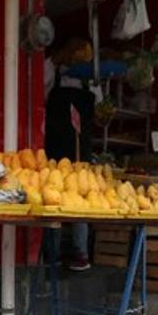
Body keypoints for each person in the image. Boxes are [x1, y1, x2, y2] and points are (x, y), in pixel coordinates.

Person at [45, 64, 96, 271]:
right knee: (64, 201)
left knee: (65, 201)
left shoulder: (52, 73)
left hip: (73, 152)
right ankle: (64, 253)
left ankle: (67, 253)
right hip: (63, 152)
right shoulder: (55, 73)